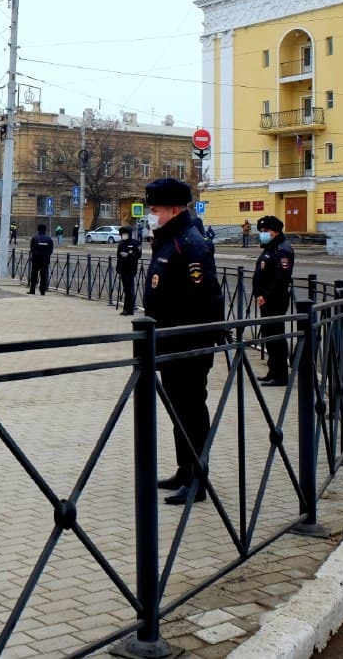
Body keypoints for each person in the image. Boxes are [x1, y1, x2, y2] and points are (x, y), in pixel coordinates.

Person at [141, 178, 224, 506]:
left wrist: (195, 342)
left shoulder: (190, 244)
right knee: (179, 411)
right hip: (170, 344)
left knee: (191, 411)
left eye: (155, 210)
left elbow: (203, 299)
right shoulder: (169, 239)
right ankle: (184, 469)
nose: (151, 215)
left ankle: (198, 478)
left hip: (188, 346)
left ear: (174, 210)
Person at [253, 215, 295, 387]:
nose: (262, 234)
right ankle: (272, 371)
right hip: (266, 299)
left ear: (275, 231)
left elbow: (281, 278)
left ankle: (281, 375)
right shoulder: (271, 247)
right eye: (261, 231)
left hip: (275, 300)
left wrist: (265, 295)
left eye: (265, 231)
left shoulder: (282, 249)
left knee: (276, 337)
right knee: (269, 336)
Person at [116, 225, 141, 315]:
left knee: (129, 289)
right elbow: (118, 256)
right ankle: (127, 309)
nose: (124, 235)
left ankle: (128, 309)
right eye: (123, 234)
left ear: (129, 234)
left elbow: (138, 255)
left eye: (125, 233)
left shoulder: (135, 243)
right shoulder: (121, 244)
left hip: (131, 269)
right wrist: (118, 269)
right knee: (126, 289)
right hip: (123, 269)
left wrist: (129, 255)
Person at [27, 223, 53, 294]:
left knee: (34, 275)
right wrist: (46, 255)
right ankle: (42, 291)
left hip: (36, 259)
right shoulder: (49, 239)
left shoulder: (34, 238)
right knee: (43, 275)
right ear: (45, 230)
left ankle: (32, 290)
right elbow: (50, 250)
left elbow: (32, 248)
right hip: (45, 260)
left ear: (38, 229)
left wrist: (36, 254)